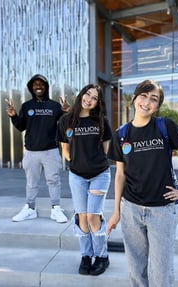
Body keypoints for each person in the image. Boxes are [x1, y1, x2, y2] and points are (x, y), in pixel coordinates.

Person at [107, 79, 178, 286]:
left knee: (160, 274)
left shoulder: (165, 126)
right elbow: (120, 174)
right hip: (130, 209)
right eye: (143, 95)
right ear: (133, 98)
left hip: (161, 211)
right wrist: (116, 212)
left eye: (153, 99)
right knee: (137, 272)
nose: (147, 102)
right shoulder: (121, 135)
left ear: (157, 106)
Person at [58, 84, 112, 276]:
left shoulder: (101, 121)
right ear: (82, 95)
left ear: (98, 102)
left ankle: (102, 256)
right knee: (81, 217)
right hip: (77, 175)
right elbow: (65, 148)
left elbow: (105, 149)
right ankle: (86, 255)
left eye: (94, 97)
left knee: (92, 216)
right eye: (87, 94)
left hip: (99, 174)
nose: (89, 99)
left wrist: (91, 162)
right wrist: (77, 162)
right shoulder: (65, 121)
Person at [6, 74, 69, 223]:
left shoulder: (55, 106)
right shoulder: (27, 106)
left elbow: (65, 125)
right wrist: (14, 116)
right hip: (31, 152)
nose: (38, 86)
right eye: (35, 84)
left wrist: (66, 112)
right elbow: (21, 127)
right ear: (31, 88)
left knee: (53, 181)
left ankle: (56, 208)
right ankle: (30, 208)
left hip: (50, 151)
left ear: (46, 87)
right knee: (31, 182)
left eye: (41, 84)